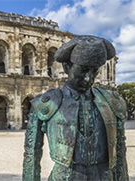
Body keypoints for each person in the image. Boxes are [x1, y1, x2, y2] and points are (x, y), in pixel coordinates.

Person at [23, 35, 128, 181]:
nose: (88, 78)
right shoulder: (46, 104)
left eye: (94, 71)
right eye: (83, 70)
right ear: (67, 67)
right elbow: (31, 156)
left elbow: (120, 154)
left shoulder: (112, 102)